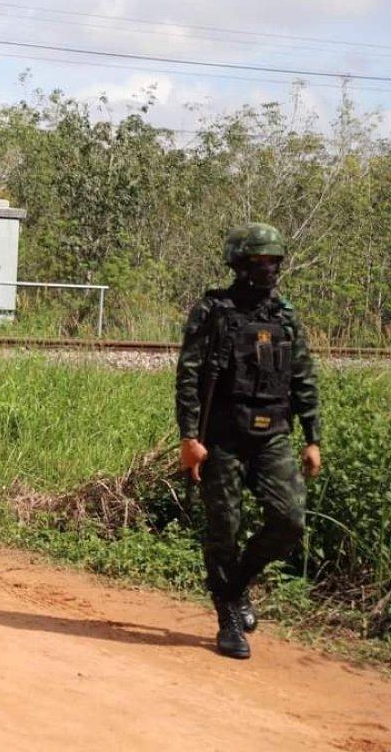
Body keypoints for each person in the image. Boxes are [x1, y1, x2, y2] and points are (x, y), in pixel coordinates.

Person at [176, 222, 321, 660]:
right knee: (225, 528)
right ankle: (229, 620)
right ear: (239, 264)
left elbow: (303, 379)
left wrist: (313, 437)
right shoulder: (213, 311)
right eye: (260, 261)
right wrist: (189, 437)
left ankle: (235, 586)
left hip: (273, 436)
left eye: (274, 261)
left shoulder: (285, 315)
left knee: (290, 520)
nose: (269, 269)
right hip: (222, 437)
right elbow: (188, 376)